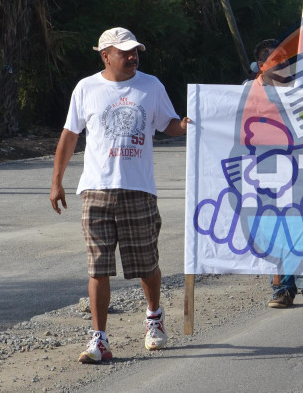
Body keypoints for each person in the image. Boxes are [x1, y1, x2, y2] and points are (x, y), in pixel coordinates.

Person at [49, 27, 190, 363]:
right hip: (96, 190)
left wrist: (184, 126)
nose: (132, 56)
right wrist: (57, 181)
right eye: (125, 52)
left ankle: (154, 317)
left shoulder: (151, 85)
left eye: (135, 51)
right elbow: (70, 135)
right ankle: (99, 340)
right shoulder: (87, 88)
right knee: (98, 267)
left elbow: (168, 124)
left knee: (146, 264)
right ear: (105, 56)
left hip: (138, 190)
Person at [248, 39, 303, 309]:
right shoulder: (247, 92)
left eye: (286, 60)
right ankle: (282, 290)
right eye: (275, 61)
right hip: (266, 171)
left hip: (302, 169)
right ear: (260, 66)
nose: (282, 65)